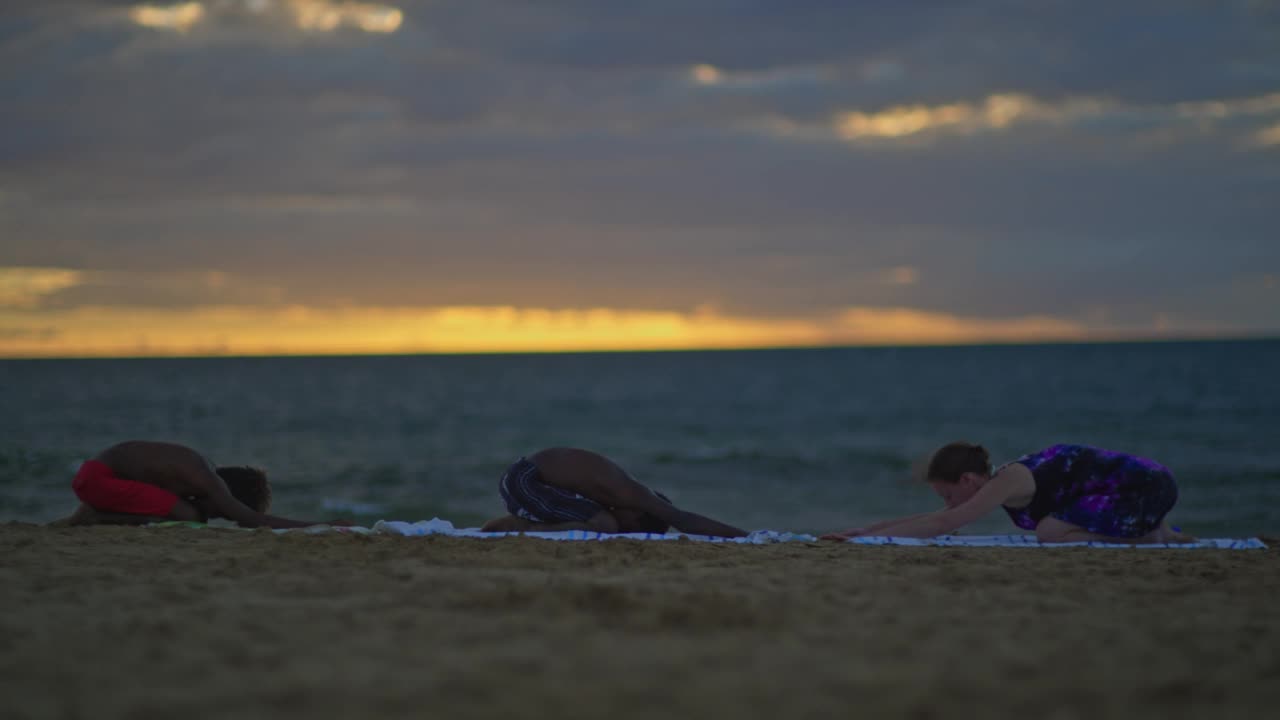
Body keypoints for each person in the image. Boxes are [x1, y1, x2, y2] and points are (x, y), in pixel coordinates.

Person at [821, 442, 1193, 544]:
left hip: (1148, 487)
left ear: (968, 480)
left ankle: (1152, 535)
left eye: (948, 493)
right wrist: (866, 530)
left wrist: (865, 539)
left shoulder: (1009, 479)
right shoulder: (1006, 485)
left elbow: (943, 523)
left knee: (1050, 531)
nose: (946, 504)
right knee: (1052, 529)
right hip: (1134, 494)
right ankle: (1156, 533)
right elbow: (937, 519)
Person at [56, 440, 343, 529]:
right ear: (226, 494)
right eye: (221, 512)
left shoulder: (196, 470)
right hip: (98, 482)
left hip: (93, 480)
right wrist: (319, 525)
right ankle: (98, 516)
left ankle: (90, 515)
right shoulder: (205, 479)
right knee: (190, 516)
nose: (213, 514)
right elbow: (253, 519)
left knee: (188, 513)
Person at [481, 447, 748, 537]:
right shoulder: (634, 494)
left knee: (598, 521)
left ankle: (520, 524)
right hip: (525, 480)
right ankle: (522, 527)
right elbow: (683, 520)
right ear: (638, 514)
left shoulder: (623, 492)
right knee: (603, 524)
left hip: (527, 481)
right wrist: (746, 536)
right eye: (628, 527)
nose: (623, 525)